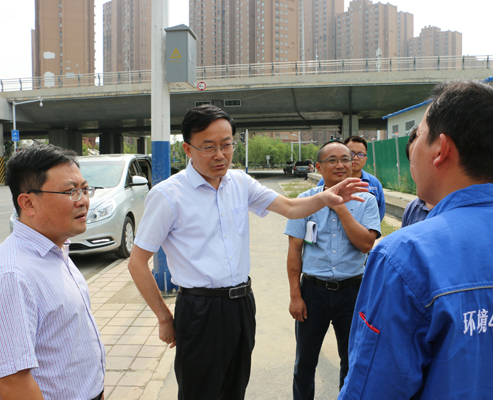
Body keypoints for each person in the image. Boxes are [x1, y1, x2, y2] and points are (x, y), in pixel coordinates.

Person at [339, 80, 493, 399]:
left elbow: (373, 389)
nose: (413, 148)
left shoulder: (403, 258)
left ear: (441, 149)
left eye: (419, 134)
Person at [127, 105, 369, 400]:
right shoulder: (168, 195)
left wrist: (326, 198)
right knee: (200, 392)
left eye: (227, 144)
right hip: (200, 309)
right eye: (209, 147)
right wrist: (165, 317)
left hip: (242, 304)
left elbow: (290, 207)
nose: (220, 155)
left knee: (236, 388)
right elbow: (137, 262)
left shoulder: (240, 183)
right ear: (188, 149)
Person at [0, 144, 105, 400]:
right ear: (28, 203)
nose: (83, 200)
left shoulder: (56, 250)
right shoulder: (12, 276)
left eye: (84, 189)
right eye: (70, 191)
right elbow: (13, 384)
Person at [284, 140, 380, 400]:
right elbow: (294, 252)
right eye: (332, 160)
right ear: (318, 167)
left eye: (345, 159)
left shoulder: (366, 200)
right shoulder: (305, 201)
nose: (340, 165)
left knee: (351, 362)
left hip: (352, 293)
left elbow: (366, 244)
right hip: (312, 292)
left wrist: (339, 206)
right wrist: (295, 296)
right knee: (304, 362)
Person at [317, 136, 385, 221]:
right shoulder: (326, 181)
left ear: (365, 159)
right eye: (352, 153)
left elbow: (379, 213)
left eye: (360, 154)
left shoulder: (374, 183)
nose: (355, 158)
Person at [401, 126, 433, 227]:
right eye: (413, 161)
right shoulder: (412, 208)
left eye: (422, 159)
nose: (419, 167)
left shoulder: (457, 209)